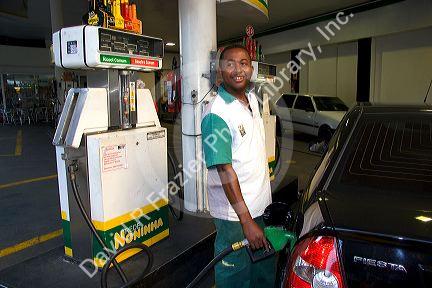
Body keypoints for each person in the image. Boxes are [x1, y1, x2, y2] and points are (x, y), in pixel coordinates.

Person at [201, 44, 276, 287]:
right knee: (235, 276)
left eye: (243, 63)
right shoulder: (217, 114)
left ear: (251, 68)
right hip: (236, 217)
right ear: (221, 70)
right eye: (230, 63)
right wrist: (246, 222)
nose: (237, 69)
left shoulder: (252, 100)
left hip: (261, 207)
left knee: (262, 271)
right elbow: (224, 171)